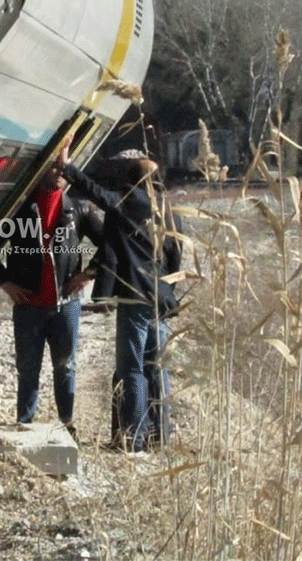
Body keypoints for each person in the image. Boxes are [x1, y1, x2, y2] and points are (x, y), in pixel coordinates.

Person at [57, 143, 182, 452]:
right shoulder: (170, 210)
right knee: (156, 367)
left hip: (135, 299)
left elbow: (94, 191)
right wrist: (166, 290)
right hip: (160, 300)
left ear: (130, 177)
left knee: (132, 369)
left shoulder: (125, 202)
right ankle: (158, 437)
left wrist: (67, 167)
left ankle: (132, 438)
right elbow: (176, 257)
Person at [0, 162, 103, 440]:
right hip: (28, 306)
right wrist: (5, 282)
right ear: (40, 170)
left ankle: (66, 424)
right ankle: (25, 425)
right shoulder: (19, 210)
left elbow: (110, 242)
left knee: (65, 365)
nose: (61, 175)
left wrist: (89, 273)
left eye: (64, 171)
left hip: (66, 305)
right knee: (28, 369)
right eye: (55, 169)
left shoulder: (79, 209)